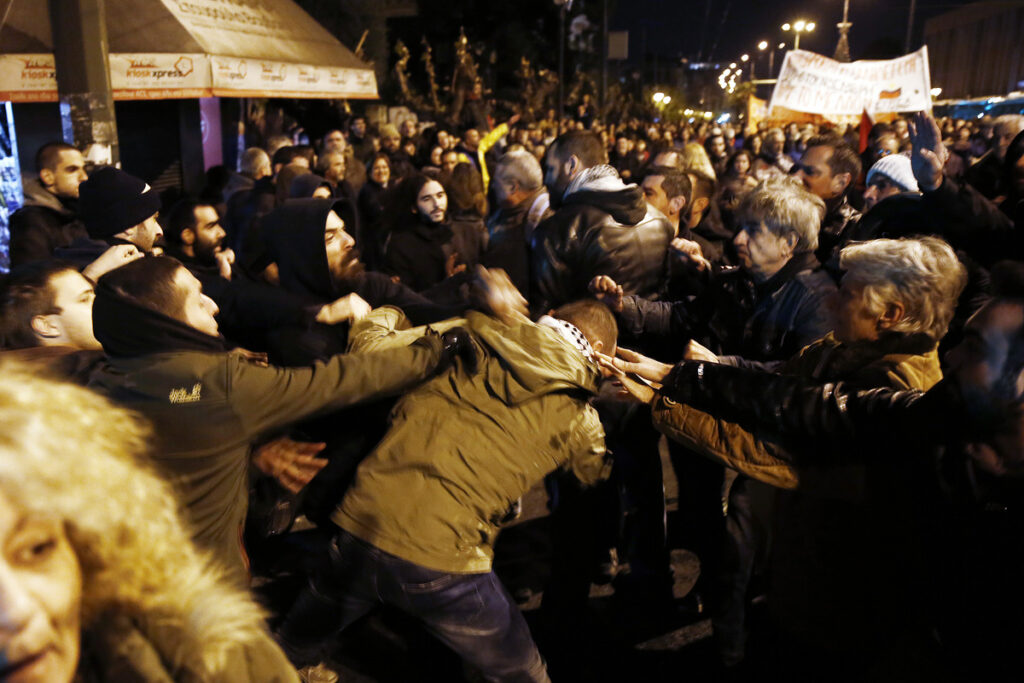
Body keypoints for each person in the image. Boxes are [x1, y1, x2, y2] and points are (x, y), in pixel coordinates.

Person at [277, 299, 618, 683]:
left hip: (362, 523)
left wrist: (386, 313)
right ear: (601, 354)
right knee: (525, 673)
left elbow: (368, 353)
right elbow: (593, 478)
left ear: (552, 318)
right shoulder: (580, 416)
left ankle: (287, 668)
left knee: (295, 639)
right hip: (446, 561)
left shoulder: (472, 333)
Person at [86, 256, 467, 581]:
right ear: (164, 323)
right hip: (206, 587)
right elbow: (334, 382)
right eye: (197, 300)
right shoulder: (218, 384)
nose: (213, 305)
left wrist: (243, 456)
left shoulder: (106, 380)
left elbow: (175, 449)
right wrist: (432, 351)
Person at [0, 362, 300, 681]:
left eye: (37, 548)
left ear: (85, 551)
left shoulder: (217, 653)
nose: (16, 610)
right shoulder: (212, 381)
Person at [531, 130, 674, 315]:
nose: (547, 180)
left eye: (550, 169)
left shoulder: (555, 231)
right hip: (651, 341)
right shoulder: (661, 221)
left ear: (571, 165)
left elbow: (544, 321)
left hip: (589, 341)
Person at [56, 167, 163, 267]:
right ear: (129, 226)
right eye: (154, 219)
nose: (160, 231)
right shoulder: (129, 274)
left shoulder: (68, 264)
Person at [482, 150, 552, 295]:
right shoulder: (506, 211)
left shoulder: (544, 221)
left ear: (513, 187)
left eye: (496, 181)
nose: (493, 186)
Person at [8, 142, 89, 267]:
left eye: (84, 169)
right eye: (72, 170)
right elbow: (33, 278)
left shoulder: (75, 211)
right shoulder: (30, 221)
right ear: (47, 176)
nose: (83, 177)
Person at [791, 133, 862, 263]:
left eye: (810, 171)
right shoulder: (783, 216)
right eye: (796, 168)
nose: (796, 177)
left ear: (840, 182)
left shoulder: (856, 232)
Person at [383, 174, 461, 292]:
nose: (437, 204)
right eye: (427, 199)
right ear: (413, 207)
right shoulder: (401, 244)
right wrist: (447, 283)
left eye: (440, 196)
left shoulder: (450, 232)